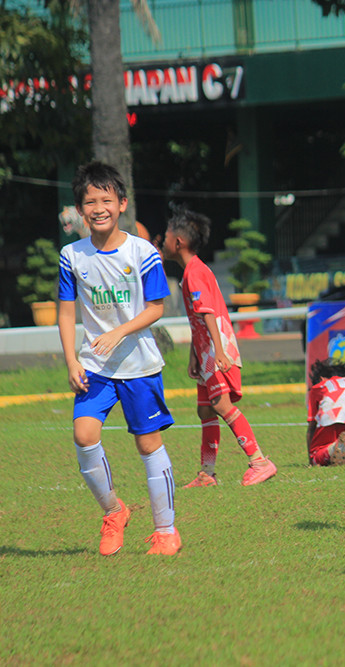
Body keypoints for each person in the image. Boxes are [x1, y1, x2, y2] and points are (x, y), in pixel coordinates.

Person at [57, 161, 180, 556]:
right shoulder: (71, 256)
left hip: (139, 366)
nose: (97, 207)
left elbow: (157, 307)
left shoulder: (142, 252)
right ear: (80, 209)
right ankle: (114, 511)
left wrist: (119, 332)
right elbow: (64, 310)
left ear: (121, 203)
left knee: (148, 446)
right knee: (83, 435)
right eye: (89, 201)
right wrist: (72, 362)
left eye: (105, 199)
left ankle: (166, 532)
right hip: (95, 367)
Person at [159, 208, 277, 488]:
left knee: (220, 404)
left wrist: (218, 352)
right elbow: (197, 318)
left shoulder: (195, 272)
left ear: (178, 242)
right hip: (206, 350)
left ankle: (259, 461)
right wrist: (194, 354)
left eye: (165, 236)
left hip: (215, 348)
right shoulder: (192, 271)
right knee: (205, 410)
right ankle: (207, 473)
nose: (162, 241)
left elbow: (208, 313)